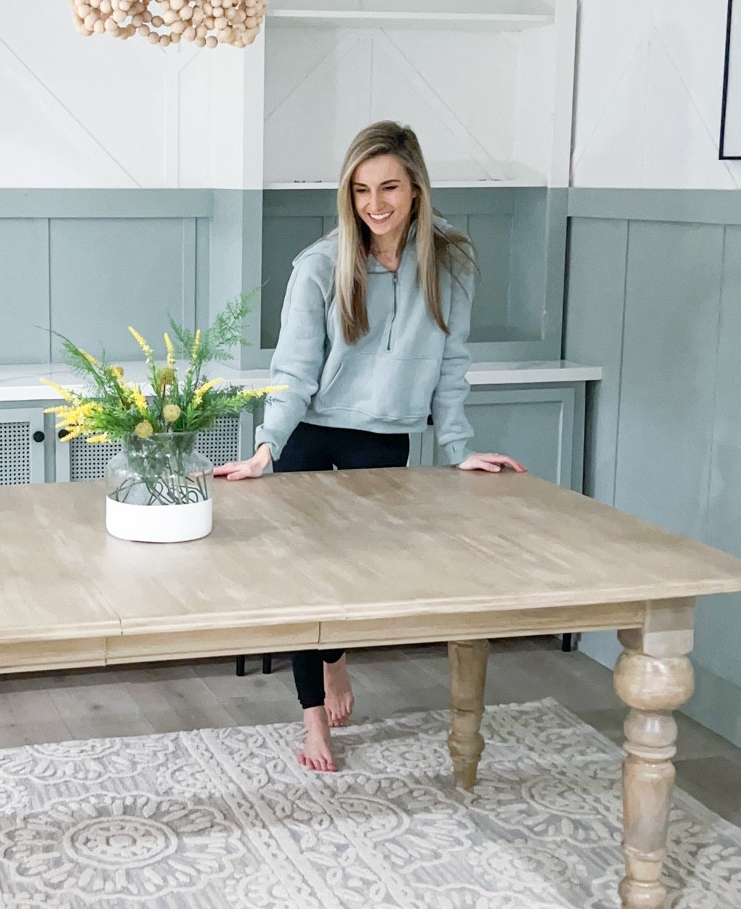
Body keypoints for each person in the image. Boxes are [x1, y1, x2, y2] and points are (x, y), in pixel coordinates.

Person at [215, 121, 526, 773]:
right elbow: (294, 372)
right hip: (310, 434)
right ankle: (312, 721)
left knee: (355, 576)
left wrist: (459, 446)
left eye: (389, 187)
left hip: (383, 440)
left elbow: (452, 365)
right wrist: (266, 447)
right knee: (303, 580)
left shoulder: (451, 265)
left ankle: (336, 659)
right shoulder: (321, 266)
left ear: (416, 187)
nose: (375, 204)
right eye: (360, 190)